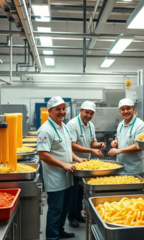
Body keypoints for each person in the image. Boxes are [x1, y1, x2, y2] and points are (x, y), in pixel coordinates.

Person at [37, 96, 87, 240]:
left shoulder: (63, 126)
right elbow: (43, 155)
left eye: (63, 109)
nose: (62, 112)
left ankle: (60, 231)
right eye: (58, 109)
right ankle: (52, 237)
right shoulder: (45, 130)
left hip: (67, 176)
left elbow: (66, 148)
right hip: (55, 178)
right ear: (50, 111)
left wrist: (77, 159)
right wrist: (64, 164)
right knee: (55, 209)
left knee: (64, 208)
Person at [66, 101, 106, 228]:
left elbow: (92, 142)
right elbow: (71, 145)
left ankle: (78, 215)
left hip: (86, 165)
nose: (88, 115)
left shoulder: (90, 125)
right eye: (87, 112)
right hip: (74, 163)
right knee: (73, 191)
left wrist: (99, 145)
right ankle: (72, 217)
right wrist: (91, 150)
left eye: (91, 113)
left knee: (80, 191)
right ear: (81, 111)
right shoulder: (72, 124)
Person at [108, 98, 144, 176]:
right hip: (120, 167)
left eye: (128, 108)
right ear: (119, 111)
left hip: (134, 169)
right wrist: (115, 142)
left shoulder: (140, 125)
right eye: (123, 109)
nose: (125, 111)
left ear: (133, 109)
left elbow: (139, 146)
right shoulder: (121, 124)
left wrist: (119, 151)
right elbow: (118, 137)